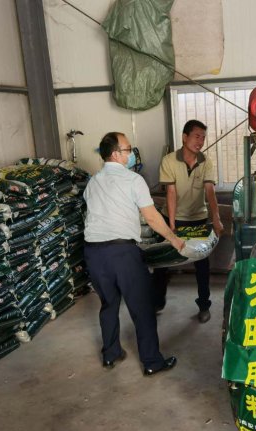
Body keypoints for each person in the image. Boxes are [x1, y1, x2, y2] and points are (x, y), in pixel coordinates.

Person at [84, 131, 185, 376]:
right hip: (122, 253)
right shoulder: (133, 180)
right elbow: (151, 217)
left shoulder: (93, 182)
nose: (131, 153)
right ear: (115, 154)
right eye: (128, 149)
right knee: (142, 307)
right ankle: (152, 362)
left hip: (93, 253)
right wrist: (174, 239)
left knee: (108, 304)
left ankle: (110, 354)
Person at [153, 120, 224, 323]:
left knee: (202, 264)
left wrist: (216, 218)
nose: (200, 141)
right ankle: (157, 302)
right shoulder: (169, 160)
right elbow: (171, 193)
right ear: (185, 137)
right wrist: (171, 226)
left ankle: (204, 305)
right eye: (196, 136)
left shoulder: (206, 161)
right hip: (172, 217)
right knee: (161, 262)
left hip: (198, 219)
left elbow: (210, 192)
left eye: (203, 137)